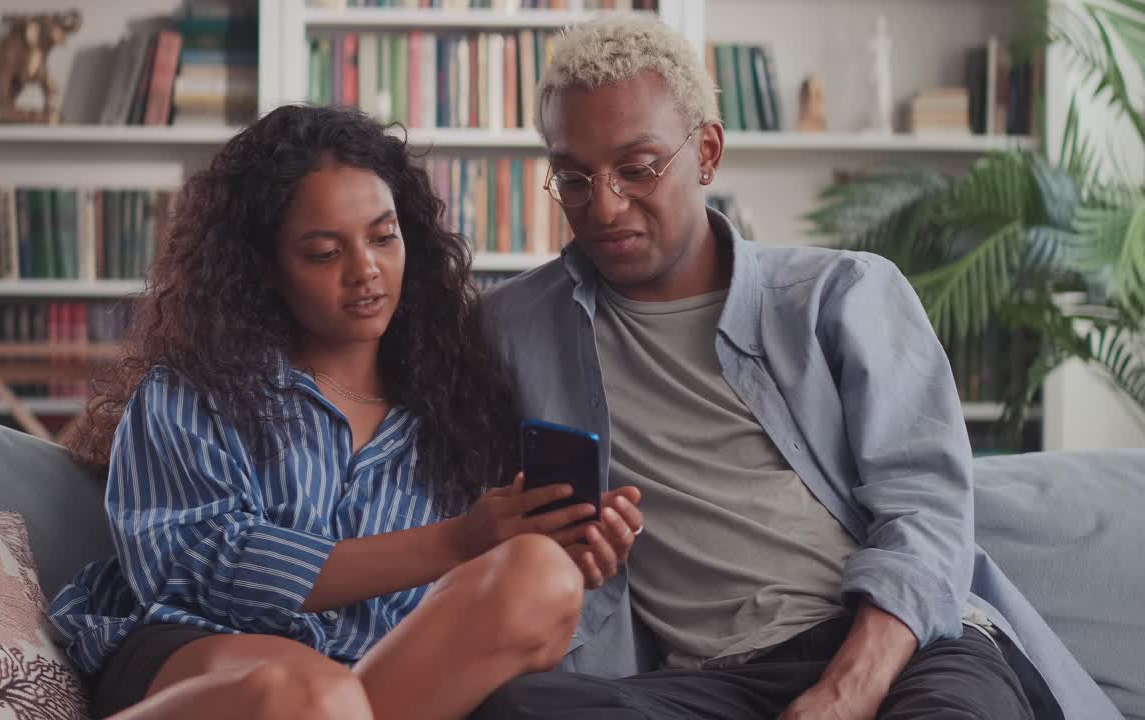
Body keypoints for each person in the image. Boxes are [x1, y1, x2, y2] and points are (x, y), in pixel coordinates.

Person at [471, 14, 1122, 720]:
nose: (603, 205)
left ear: (708, 153)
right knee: (518, 708)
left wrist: (845, 692)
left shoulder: (841, 297)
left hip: (899, 644)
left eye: (637, 168)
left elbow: (926, 510)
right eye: (573, 178)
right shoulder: (515, 326)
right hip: (708, 681)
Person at [47, 104, 644, 720]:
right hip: (198, 649)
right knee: (315, 697)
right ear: (264, 267)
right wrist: (455, 541)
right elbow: (193, 567)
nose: (366, 271)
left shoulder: (459, 403)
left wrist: (570, 543)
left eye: (383, 237)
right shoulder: (192, 391)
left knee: (540, 576)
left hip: (376, 670)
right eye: (324, 253)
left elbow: (474, 606)